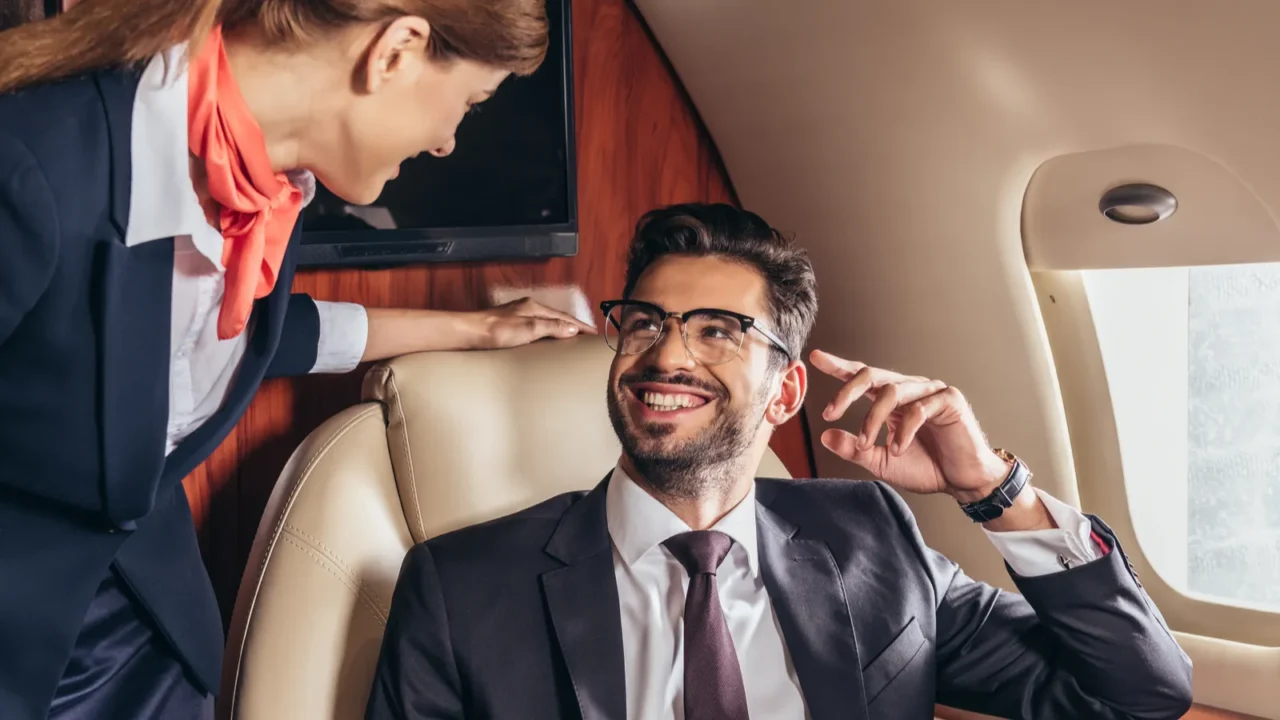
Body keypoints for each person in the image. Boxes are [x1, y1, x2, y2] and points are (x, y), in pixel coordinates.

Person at [0, 1, 596, 718]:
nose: (447, 142)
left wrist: (474, 331)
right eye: (469, 104)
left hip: (144, 634)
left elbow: (222, 337)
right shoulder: (29, 165)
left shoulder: (269, 187)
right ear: (396, 51)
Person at [366, 203, 1194, 720]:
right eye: (647, 322)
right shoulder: (460, 586)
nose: (669, 355)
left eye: (718, 330)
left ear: (786, 391)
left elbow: (1138, 694)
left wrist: (992, 490)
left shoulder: (871, 541)